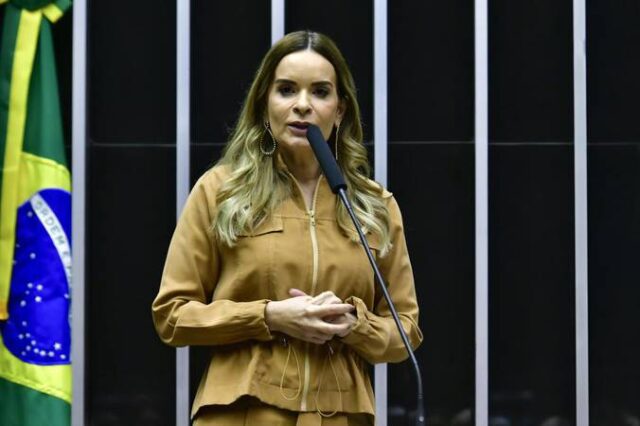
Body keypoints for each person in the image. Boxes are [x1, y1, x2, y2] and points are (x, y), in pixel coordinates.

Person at [152, 30, 423, 426]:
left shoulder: (374, 205)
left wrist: (354, 325)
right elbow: (173, 316)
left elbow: (405, 332)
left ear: (340, 111)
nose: (302, 105)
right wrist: (270, 316)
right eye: (286, 90)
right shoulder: (220, 191)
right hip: (243, 413)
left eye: (320, 92)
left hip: (340, 415)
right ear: (265, 105)